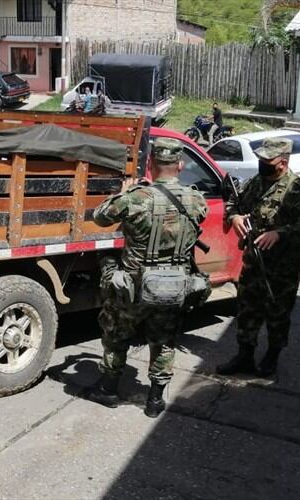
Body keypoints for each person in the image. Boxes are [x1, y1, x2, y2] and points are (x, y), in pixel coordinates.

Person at [87, 138, 210, 418]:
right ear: (180, 166)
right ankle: (154, 400)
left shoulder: (135, 199)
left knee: (117, 336)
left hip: (134, 288)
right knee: (164, 341)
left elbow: (100, 217)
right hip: (173, 287)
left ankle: (108, 389)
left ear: (150, 165)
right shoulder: (196, 200)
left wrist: (125, 192)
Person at [217, 137, 300, 378]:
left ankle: (272, 357)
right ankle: (244, 356)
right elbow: (234, 202)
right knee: (247, 310)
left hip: (282, 267)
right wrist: (234, 218)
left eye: (268, 160)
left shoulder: (295, 189)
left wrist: (281, 234)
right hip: (253, 261)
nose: (262, 163)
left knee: (278, 313)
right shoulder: (257, 182)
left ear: (282, 163)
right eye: (261, 159)